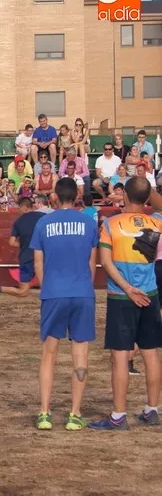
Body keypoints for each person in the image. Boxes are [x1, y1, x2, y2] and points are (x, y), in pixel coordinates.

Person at [90, 177, 162, 430]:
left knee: (120, 356)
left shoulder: (110, 224)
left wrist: (127, 288)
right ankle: (152, 410)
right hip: (150, 294)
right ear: (147, 197)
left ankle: (118, 416)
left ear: (125, 196)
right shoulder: (158, 222)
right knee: (151, 352)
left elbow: (106, 263)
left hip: (121, 296)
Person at [29, 180, 99, 431]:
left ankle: (45, 412)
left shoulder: (43, 223)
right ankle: (74, 413)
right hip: (82, 292)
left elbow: (38, 263)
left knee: (49, 354)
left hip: (54, 293)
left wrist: (47, 287)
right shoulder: (90, 223)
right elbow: (92, 265)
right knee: (80, 356)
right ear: (78, 195)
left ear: (56, 197)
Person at [0, 197, 46, 302]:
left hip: (26, 257)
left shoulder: (18, 222)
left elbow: (12, 242)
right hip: (42, 256)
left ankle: (0, 289)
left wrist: (25, 244)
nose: (18, 210)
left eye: (19, 207)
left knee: (23, 292)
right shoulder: (43, 217)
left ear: (23, 207)